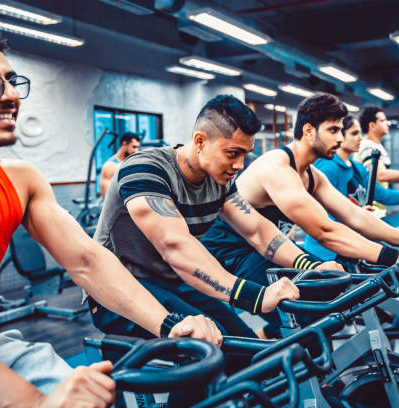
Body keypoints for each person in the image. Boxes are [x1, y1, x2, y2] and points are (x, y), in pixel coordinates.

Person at [0, 15, 220, 408]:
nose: (10, 94)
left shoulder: (21, 181)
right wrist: (33, 403)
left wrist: (169, 324)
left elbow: (86, 260)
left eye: (11, 80)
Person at [90, 94, 315, 340]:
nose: (240, 165)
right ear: (200, 141)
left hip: (173, 283)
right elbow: (174, 245)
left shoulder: (219, 181)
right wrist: (257, 297)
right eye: (233, 153)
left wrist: (312, 266)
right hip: (119, 287)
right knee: (219, 351)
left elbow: (257, 230)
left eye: (245, 154)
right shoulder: (145, 169)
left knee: (245, 344)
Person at [201, 94, 399, 289]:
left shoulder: (312, 176)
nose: (340, 138)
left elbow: (355, 216)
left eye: (341, 130)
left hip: (266, 247)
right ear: (309, 131)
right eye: (333, 130)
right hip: (231, 252)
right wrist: (394, 257)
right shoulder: (277, 167)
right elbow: (325, 231)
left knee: (329, 291)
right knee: (312, 299)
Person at [302, 114, 399, 263]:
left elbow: (384, 195)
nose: (360, 138)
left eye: (360, 133)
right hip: (326, 254)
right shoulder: (328, 168)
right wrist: (357, 216)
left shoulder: (358, 169)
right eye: (354, 133)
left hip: (352, 243)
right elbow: (325, 217)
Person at [100, 132, 140, 197]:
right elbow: (107, 197)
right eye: (134, 147)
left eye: (138, 147)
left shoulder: (133, 162)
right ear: (124, 144)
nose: (136, 151)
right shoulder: (110, 166)